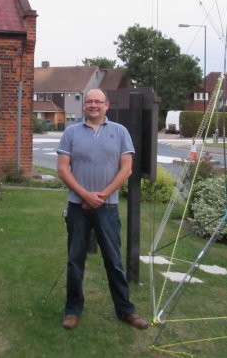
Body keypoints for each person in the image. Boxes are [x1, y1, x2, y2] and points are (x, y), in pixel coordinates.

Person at [57, 88, 148, 331]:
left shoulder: (120, 132)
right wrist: (86, 195)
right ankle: (72, 309)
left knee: (114, 260)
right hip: (78, 207)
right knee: (75, 260)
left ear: (106, 105)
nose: (94, 105)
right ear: (84, 105)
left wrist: (102, 195)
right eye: (89, 101)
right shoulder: (71, 132)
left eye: (98, 101)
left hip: (107, 208)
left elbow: (126, 168)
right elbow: (63, 169)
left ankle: (126, 310)